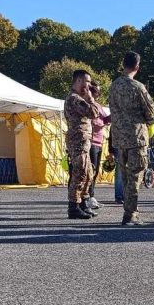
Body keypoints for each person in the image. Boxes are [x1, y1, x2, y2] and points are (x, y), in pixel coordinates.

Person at [108, 51, 154, 225]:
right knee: (135, 177)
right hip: (136, 138)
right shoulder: (138, 87)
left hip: (119, 138)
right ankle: (130, 214)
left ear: (123, 64)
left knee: (125, 176)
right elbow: (151, 114)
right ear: (137, 66)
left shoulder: (113, 86)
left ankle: (129, 211)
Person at [64, 69, 100, 219]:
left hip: (83, 140)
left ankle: (83, 203)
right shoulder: (74, 99)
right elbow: (94, 113)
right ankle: (73, 207)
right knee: (79, 173)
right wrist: (90, 99)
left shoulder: (78, 98)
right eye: (87, 81)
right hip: (77, 140)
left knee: (88, 173)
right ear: (78, 81)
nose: (89, 85)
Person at [88, 81, 111, 209]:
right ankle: (88, 197)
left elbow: (105, 118)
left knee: (95, 171)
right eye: (97, 91)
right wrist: (103, 122)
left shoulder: (99, 106)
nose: (99, 94)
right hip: (91, 142)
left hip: (99, 141)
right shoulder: (88, 105)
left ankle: (92, 196)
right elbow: (93, 122)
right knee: (90, 170)